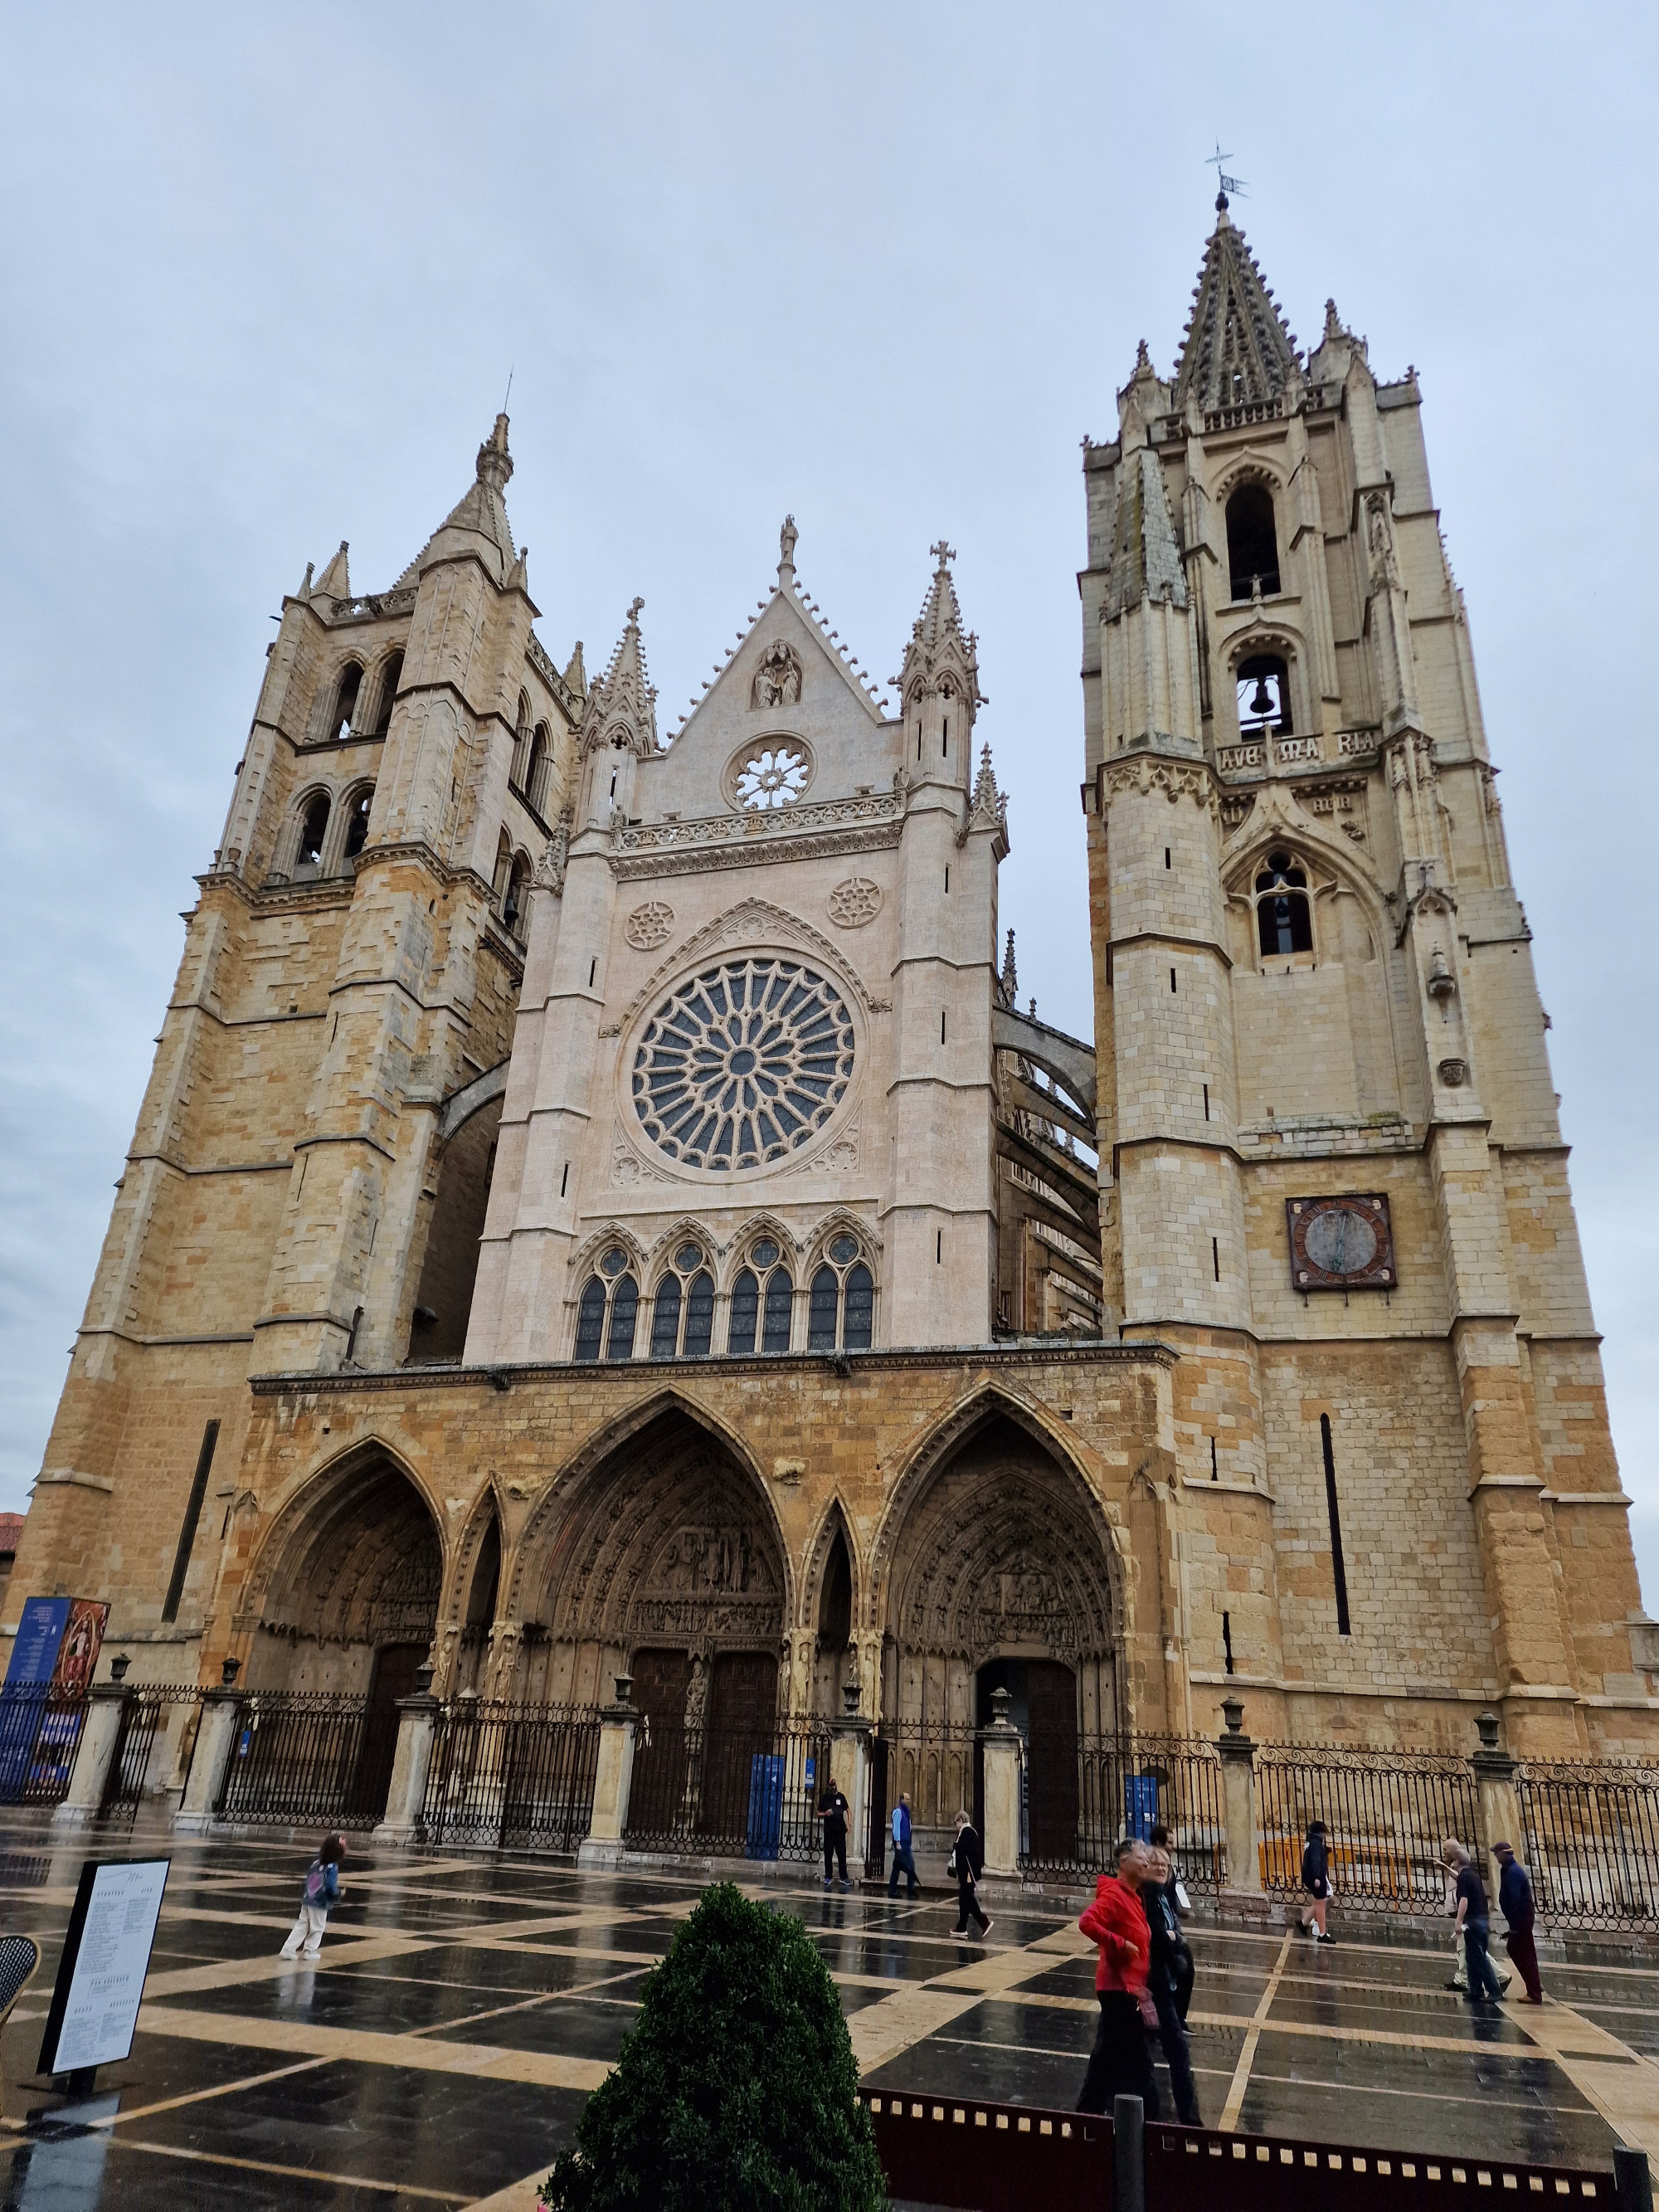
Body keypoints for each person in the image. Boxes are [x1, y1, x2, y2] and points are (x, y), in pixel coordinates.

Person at [1076, 1838, 1160, 2118]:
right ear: (1123, 1860)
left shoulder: (1135, 1896)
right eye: (1141, 1853)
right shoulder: (1115, 1895)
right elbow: (1087, 1922)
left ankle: (1089, 2116)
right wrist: (1120, 1944)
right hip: (1118, 1989)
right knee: (1140, 2062)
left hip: (1127, 1989)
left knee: (1106, 2059)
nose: (1146, 1859)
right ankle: (1155, 2127)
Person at [1142, 1840, 1201, 2124]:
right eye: (1157, 1864)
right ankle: (1187, 2120)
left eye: (1166, 1864)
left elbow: (1173, 1933)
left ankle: (1154, 2113)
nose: (1163, 1868)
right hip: (1151, 1987)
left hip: (1161, 1984)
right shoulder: (1148, 1897)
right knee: (1174, 2049)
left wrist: (1174, 1939)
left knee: (1123, 2056)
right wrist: (1173, 1941)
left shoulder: (1162, 1896)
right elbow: (1158, 1938)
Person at [1443, 1839, 1504, 2005]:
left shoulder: (1463, 1878)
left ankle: (1494, 1990)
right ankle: (1476, 1990)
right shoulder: (1473, 1876)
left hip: (1473, 1921)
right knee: (1472, 1957)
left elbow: (1464, 1900)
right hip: (1482, 1919)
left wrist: (1458, 1922)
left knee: (1479, 1957)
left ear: (1456, 1862)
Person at [1148, 1823, 1194, 2021]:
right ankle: (1171, 2020)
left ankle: (1177, 2018)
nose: (1173, 1847)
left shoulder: (1168, 1869)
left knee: (1186, 1970)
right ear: (1159, 1843)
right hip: (1162, 1934)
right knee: (1173, 1973)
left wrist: (1179, 1913)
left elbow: (1169, 1900)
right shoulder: (1152, 1871)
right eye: (1170, 1843)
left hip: (1172, 1929)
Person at [1493, 1842, 1545, 2004]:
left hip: (1521, 1920)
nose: (1495, 1856)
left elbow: (1515, 1899)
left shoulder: (1513, 1872)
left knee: (1522, 1953)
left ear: (1504, 1853)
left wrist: (1515, 1926)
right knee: (1521, 1952)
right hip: (1519, 1920)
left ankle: (1534, 1992)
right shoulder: (1508, 1869)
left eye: (1497, 1853)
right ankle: (1534, 1985)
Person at [281, 1833, 345, 1961]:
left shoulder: (316, 1863)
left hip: (308, 1898)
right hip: (320, 1902)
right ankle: (309, 1951)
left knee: (302, 1924)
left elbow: (310, 1879)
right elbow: (330, 1886)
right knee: (318, 1927)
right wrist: (338, 1894)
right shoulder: (332, 1867)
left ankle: (288, 1949)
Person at [947, 1810, 992, 1939]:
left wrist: (956, 1845)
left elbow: (963, 1848)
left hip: (968, 1872)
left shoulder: (967, 1832)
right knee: (965, 1899)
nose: (956, 1826)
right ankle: (961, 1927)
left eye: (956, 1822)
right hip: (967, 1872)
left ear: (961, 1820)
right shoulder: (969, 1832)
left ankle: (983, 1922)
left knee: (967, 1900)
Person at [1297, 1820, 1335, 1942]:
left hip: (1311, 1876)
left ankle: (1304, 1923)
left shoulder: (1312, 1842)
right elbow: (1315, 1861)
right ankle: (1321, 1934)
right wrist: (1318, 1877)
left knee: (1319, 1903)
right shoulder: (1316, 1844)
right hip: (1316, 1877)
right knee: (1321, 1903)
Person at [818, 1773, 851, 1890]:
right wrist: (825, 1814)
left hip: (840, 1830)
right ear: (828, 1786)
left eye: (834, 1785)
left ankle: (844, 1877)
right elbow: (818, 1813)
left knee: (842, 1854)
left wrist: (849, 1823)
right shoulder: (824, 1798)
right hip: (829, 1831)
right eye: (831, 1786)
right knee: (828, 1854)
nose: (833, 1787)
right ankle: (828, 1876)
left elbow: (848, 1810)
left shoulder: (841, 1797)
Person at [888, 1791, 919, 1898]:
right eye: (907, 1799)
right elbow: (896, 1828)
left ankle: (910, 1890)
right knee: (899, 1868)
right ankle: (893, 1891)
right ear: (902, 1800)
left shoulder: (906, 1813)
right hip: (900, 1844)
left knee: (909, 1866)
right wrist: (897, 1843)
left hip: (906, 1844)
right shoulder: (898, 1811)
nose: (909, 1801)